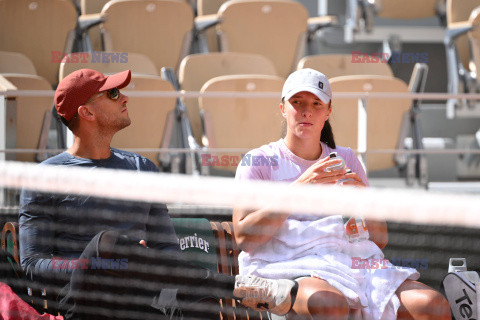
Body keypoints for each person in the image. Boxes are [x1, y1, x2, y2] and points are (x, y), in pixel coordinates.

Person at [18, 69, 296, 320]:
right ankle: (237, 287)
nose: (124, 98)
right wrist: (103, 262)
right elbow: (32, 264)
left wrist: (136, 261)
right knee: (109, 243)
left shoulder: (142, 168)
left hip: (141, 295)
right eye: (113, 94)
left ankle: (227, 289)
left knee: (202, 302)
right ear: (87, 113)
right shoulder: (45, 178)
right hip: (87, 299)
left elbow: (167, 251)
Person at [233, 68, 451, 320]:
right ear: (283, 108)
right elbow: (244, 238)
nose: (306, 111)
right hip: (284, 266)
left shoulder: (346, 158)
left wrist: (363, 203)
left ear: (328, 112)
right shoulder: (257, 161)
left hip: (352, 266)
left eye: (316, 104)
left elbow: (379, 239)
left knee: (432, 305)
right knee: (330, 303)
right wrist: (299, 189)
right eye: (297, 102)